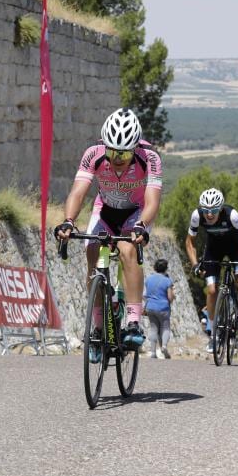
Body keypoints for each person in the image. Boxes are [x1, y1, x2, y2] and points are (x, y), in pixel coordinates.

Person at [55, 108, 162, 351]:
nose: (117, 159)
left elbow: (153, 200)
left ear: (135, 148)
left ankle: (134, 321)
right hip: (105, 210)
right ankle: (98, 327)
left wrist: (141, 226)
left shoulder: (150, 157)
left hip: (136, 213)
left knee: (127, 250)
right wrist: (69, 221)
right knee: (92, 252)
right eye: (113, 152)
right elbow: (78, 191)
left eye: (124, 154)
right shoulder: (93, 153)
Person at [185, 187, 238, 353]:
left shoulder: (232, 215)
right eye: (206, 210)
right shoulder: (197, 215)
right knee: (211, 291)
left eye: (214, 210)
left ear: (221, 208)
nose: (209, 214)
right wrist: (195, 265)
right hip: (213, 249)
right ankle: (213, 333)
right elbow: (189, 242)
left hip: (235, 247)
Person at [143, 258, 175, 359]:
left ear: (155, 267)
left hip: (150, 307)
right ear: (166, 268)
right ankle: (164, 346)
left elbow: (144, 295)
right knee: (165, 328)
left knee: (153, 328)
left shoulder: (148, 279)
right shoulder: (167, 281)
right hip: (163, 308)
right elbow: (170, 298)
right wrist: (173, 297)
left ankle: (153, 352)